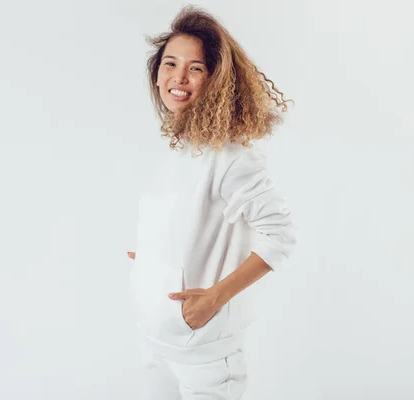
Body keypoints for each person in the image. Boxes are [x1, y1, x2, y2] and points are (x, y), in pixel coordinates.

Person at [126, 6, 297, 399]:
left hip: (202, 352)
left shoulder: (232, 157)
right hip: (154, 339)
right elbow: (189, 226)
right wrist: (153, 259)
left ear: (216, 79)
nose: (179, 78)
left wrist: (214, 298)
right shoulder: (181, 149)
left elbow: (281, 235)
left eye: (196, 68)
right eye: (170, 63)